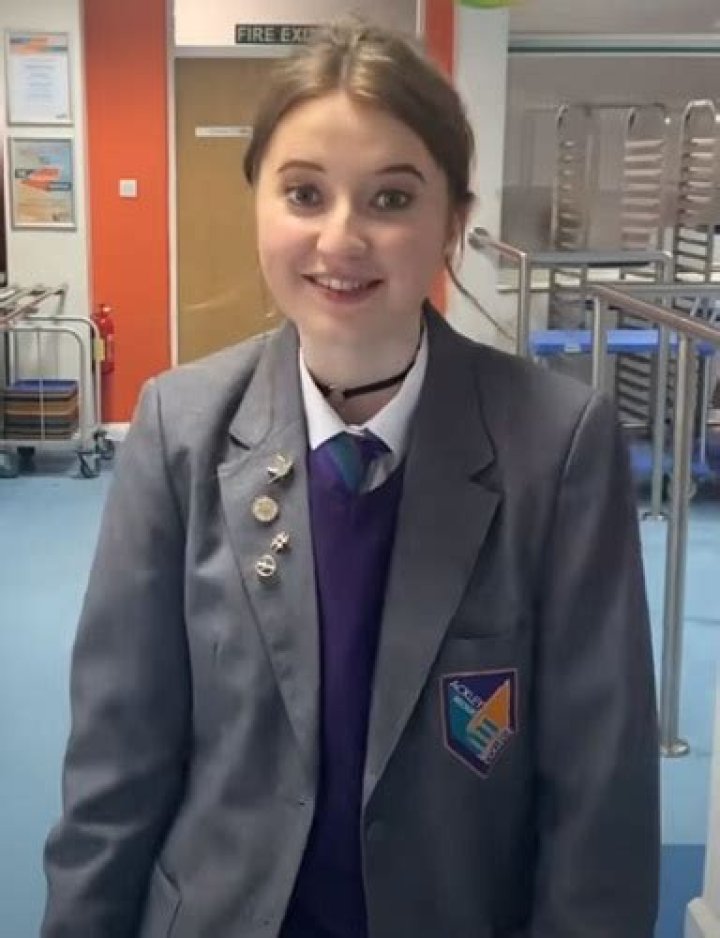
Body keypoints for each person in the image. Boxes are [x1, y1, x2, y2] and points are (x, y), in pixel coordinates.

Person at [41, 20, 659, 938]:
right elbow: (116, 766)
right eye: (304, 193)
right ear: (258, 204)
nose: (342, 237)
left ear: (452, 221)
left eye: (391, 198)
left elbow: (600, 800)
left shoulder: (556, 448)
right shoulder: (179, 431)